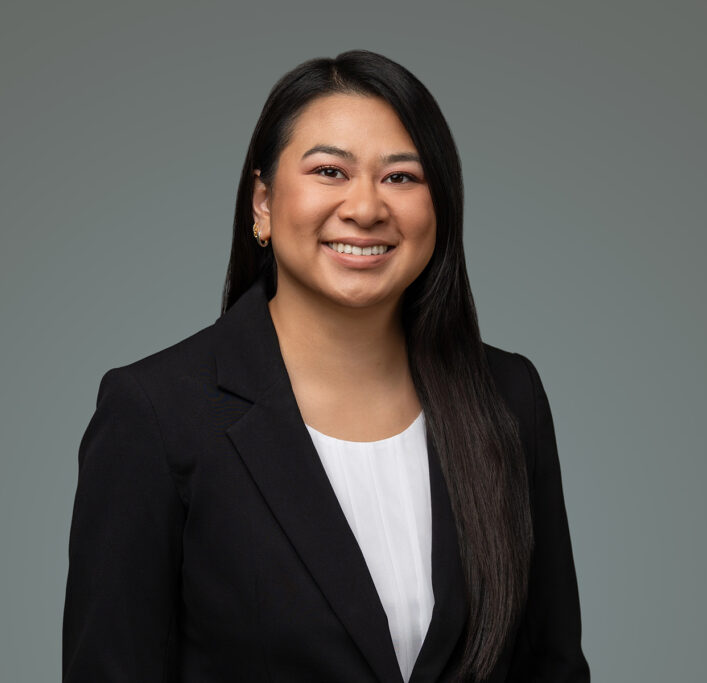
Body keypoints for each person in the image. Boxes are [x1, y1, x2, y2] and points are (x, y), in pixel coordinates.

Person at [62, 49, 589, 683]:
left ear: (439, 208)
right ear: (262, 202)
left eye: (401, 177)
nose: (366, 208)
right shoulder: (155, 414)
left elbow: (552, 667)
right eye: (330, 171)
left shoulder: (508, 396)